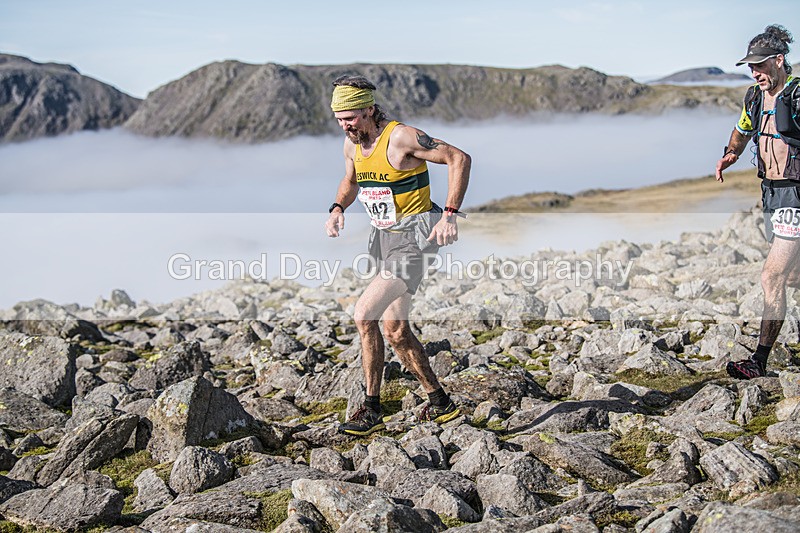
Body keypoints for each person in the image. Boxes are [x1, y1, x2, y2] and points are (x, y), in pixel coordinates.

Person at [324, 74, 471, 435]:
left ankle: (372, 409)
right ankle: (441, 403)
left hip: (416, 239)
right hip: (384, 240)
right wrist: (338, 207)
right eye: (340, 119)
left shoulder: (401, 137)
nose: (346, 125)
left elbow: (458, 158)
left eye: (353, 117)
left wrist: (450, 215)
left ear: (370, 109)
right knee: (396, 330)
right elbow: (352, 180)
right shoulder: (351, 145)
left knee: (364, 314)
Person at [716, 24, 800, 379]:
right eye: (751, 67)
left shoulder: (798, 96)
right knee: (793, 276)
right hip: (770, 193)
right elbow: (743, 126)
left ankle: (759, 362)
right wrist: (731, 153)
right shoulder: (753, 96)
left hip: (795, 194)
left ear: (779, 61)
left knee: (772, 276)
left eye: (760, 65)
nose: (755, 72)